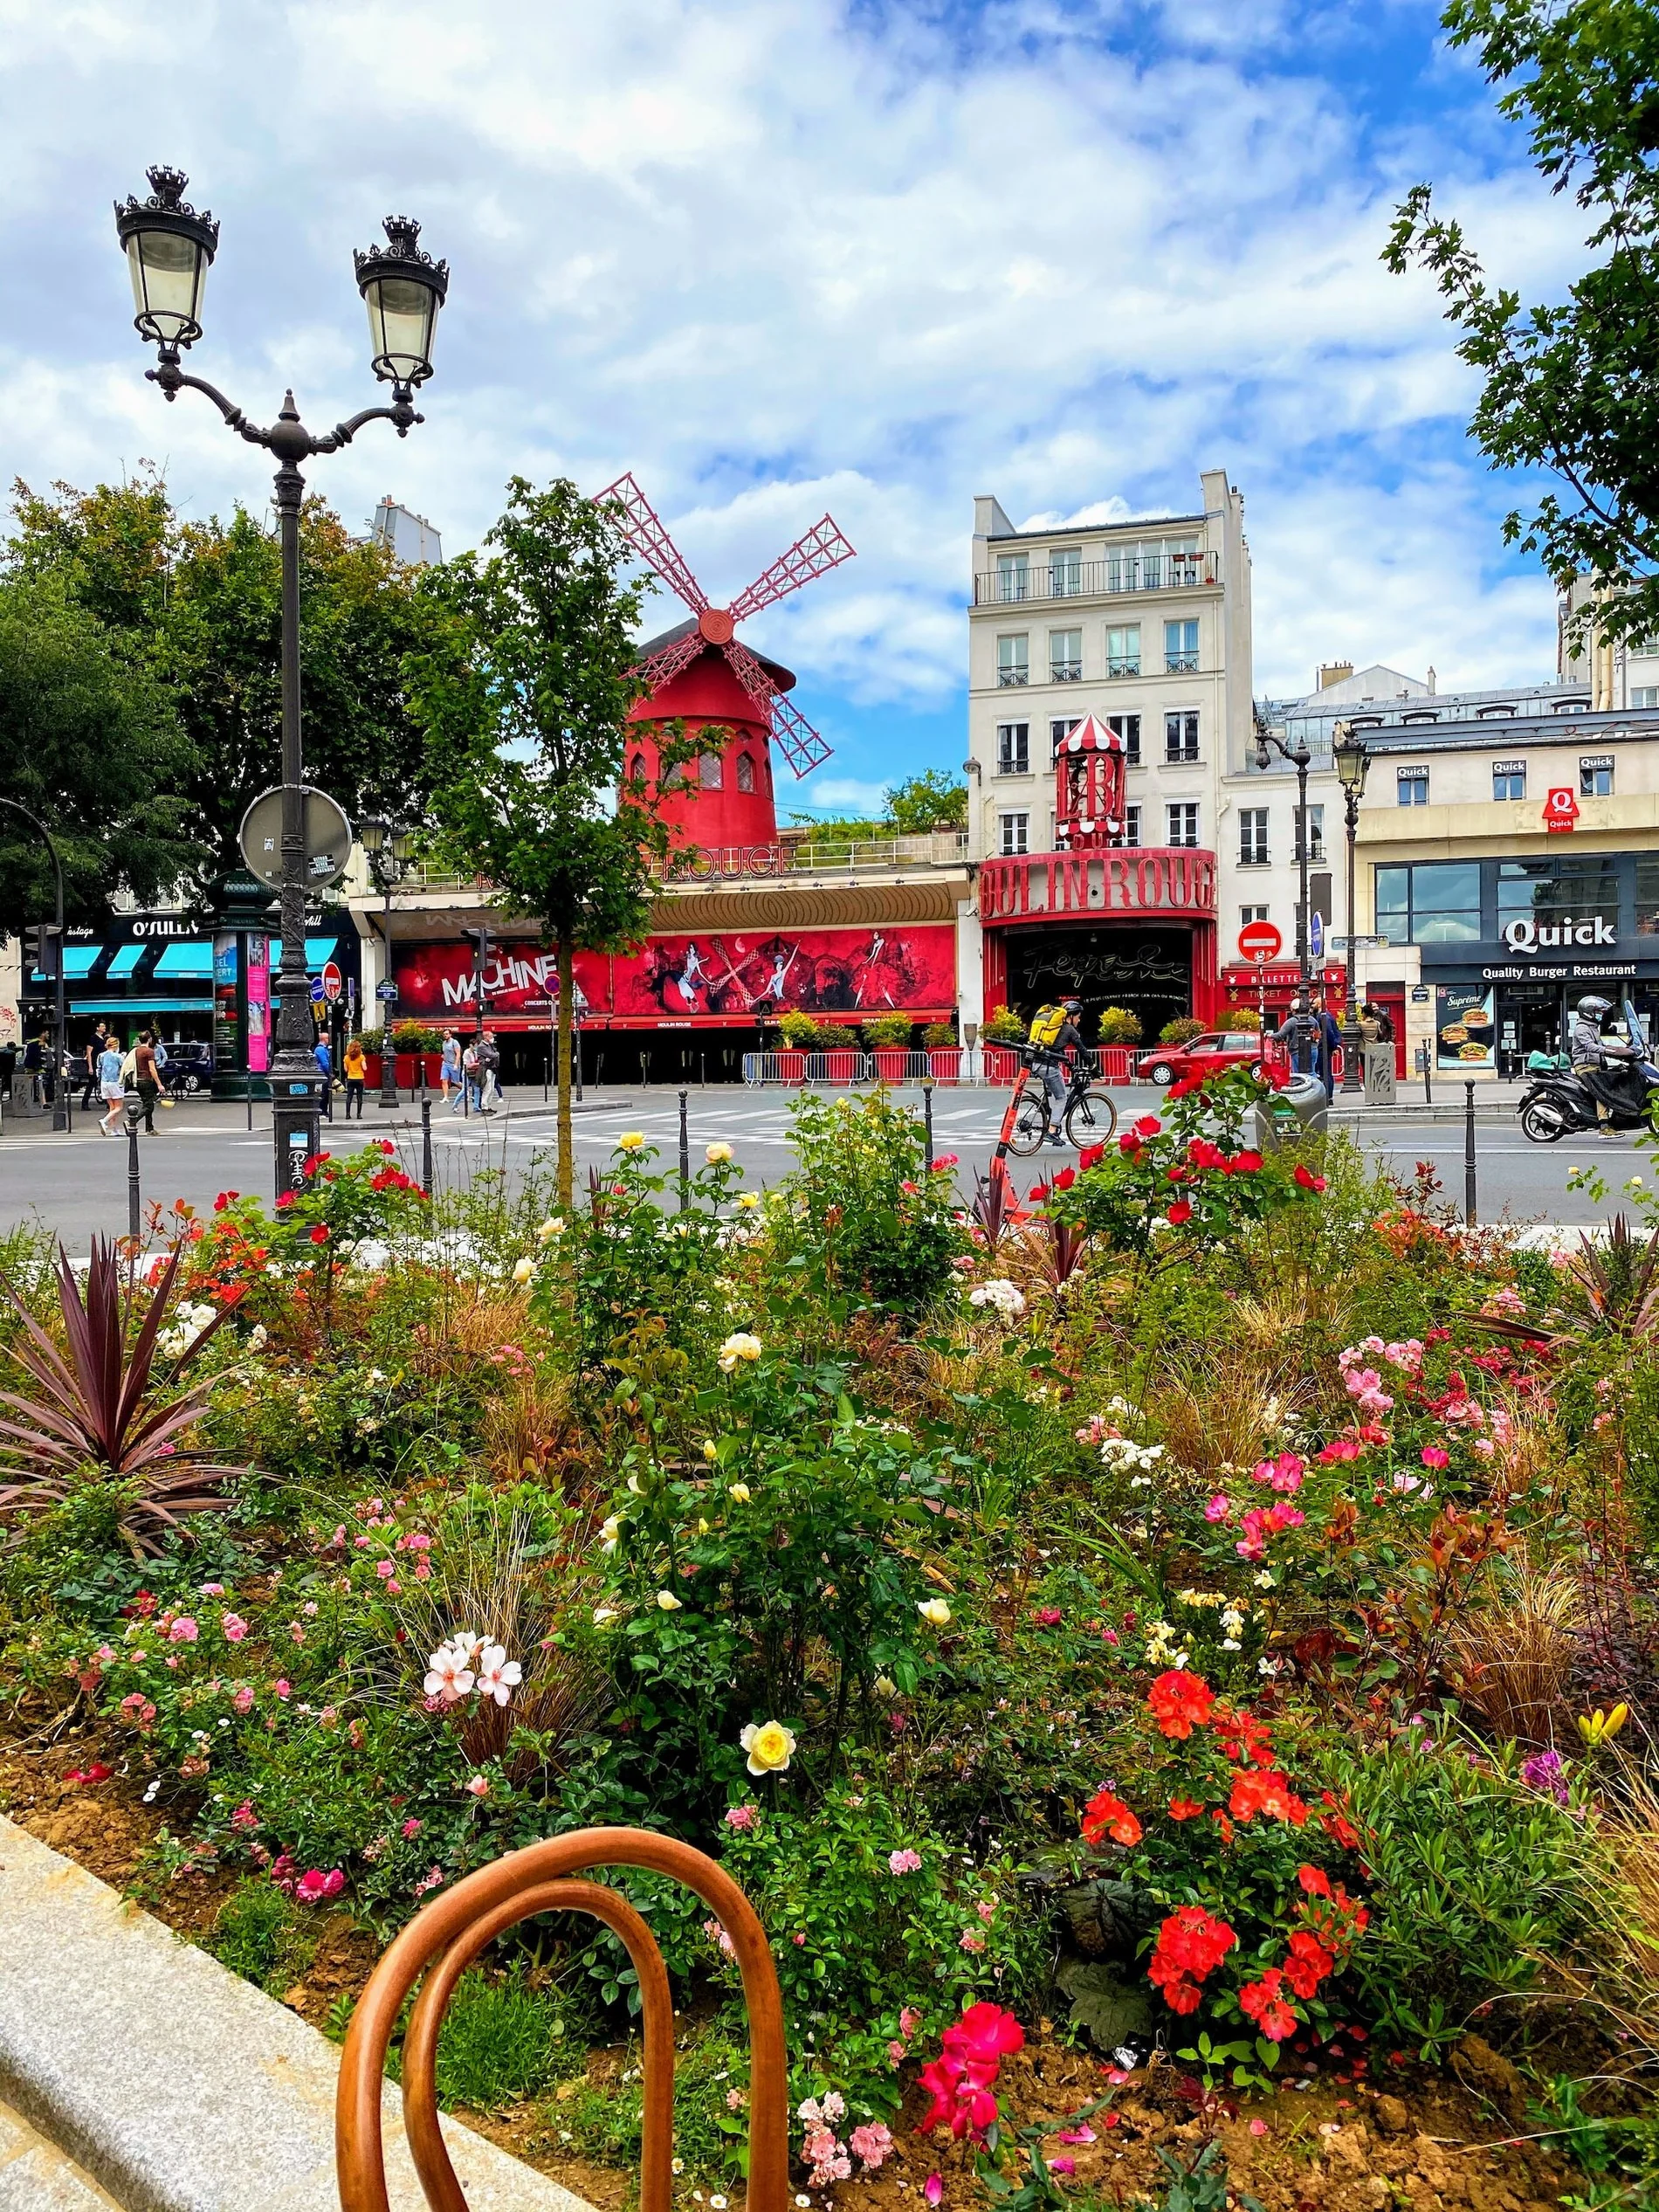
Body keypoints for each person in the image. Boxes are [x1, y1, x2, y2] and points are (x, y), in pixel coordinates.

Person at [1568, 993, 1640, 1132]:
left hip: (1595, 1066)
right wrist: (1610, 1050)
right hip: (1585, 1067)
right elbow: (1590, 1047)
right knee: (1602, 1091)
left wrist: (1622, 1052)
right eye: (1599, 1012)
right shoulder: (1581, 1028)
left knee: (1619, 1078)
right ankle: (1604, 1125)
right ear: (1589, 1013)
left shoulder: (1593, 1027)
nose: (1602, 1014)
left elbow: (1601, 1048)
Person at [1032, 996, 1085, 1147]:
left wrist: (1071, 1066)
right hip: (1048, 1066)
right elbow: (1082, 1049)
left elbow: (1058, 1052)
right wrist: (1094, 1068)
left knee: (1055, 1089)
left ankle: (1047, 1113)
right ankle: (1052, 1130)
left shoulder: (1054, 1030)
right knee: (1062, 1097)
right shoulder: (1069, 1030)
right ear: (1071, 1016)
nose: (1079, 1020)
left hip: (1036, 1064)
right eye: (1078, 1017)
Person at [97, 1032, 127, 1135]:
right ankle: (104, 1121)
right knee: (119, 1107)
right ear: (116, 1045)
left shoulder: (101, 1056)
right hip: (115, 1082)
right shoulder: (118, 1056)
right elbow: (124, 1068)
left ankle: (114, 1129)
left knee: (112, 1108)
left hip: (104, 1082)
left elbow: (99, 1068)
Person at [133, 1030, 162, 1134]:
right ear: (149, 1039)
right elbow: (152, 1069)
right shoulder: (149, 1051)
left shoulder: (136, 1051)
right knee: (149, 1106)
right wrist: (159, 1084)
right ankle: (132, 1121)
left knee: (147, 1103)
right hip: (146, 1080)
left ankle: (149, 1128)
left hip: (138, 1080)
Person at [80, 1023, 108, 1113]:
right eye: (102, 1026)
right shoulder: (93, 1038)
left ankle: (107, 1101)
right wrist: (90, 1067)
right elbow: (89, 1053)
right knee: (91, 1083)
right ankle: (84, 1103)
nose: (104, 1028)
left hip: (101, 1064)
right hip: (94, 1063)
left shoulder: (103, 1039)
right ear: (97, 1028)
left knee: (104, 1082)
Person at [342, 1034, 368, 1119]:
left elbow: (345, 1070)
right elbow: (365, 1068)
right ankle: (359, 1114)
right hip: (359, 1078)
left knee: (349, 1096)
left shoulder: (346, 1057)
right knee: (359, 1097)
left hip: (350, 1078)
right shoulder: (361, 1057)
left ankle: (347, 1114)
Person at [478, 1029, 502, 1114]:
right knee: (487, 1089)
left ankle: (488, 1105)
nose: (493, 1038)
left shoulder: (490, 1045)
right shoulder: (482, 1046)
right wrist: (496, 1054)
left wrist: (494, 1054)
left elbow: (493, 1055)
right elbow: (492, 1054)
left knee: (491, 1089)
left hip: (492, 1068)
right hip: (486, 1069)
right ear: (486, 1037)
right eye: (491, 1037)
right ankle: (484, 1106)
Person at [313, 1034, 334, 1121]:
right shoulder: (320, 1049)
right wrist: (329, 1072)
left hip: (322, 1073)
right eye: (327, 1038)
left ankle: (324, 1110)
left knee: (325, 1093)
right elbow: (324, 1063)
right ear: (323, 1039)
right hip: (322, 1073)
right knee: (324, 1093)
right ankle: (322, 1111)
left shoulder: (323, 1049)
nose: (328, 1039)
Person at [441, 1030, 462, 1111]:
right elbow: (444, 1053)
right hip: (446, 1064)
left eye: (446, 1034)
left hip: (453, 1064)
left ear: (450, 1034)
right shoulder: (444, 1043)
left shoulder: (454, 1042)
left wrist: (456, 1064)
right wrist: (443, 1058)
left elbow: (458, 1053)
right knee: (444, 1080)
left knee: (455, 1082)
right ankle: (446, 1097)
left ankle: (464, 1089)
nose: (445, 1035)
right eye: (444, 1034)